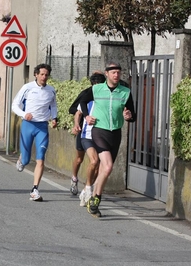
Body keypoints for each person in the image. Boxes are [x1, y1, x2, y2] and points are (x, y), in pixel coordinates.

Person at [80, 62, 136, 217]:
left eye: (118, 72)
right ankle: (96, 199)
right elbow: (82, 101)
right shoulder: (96, 89)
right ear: (106, 74)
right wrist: (87, 116)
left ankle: (92, 196)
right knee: (109, 166)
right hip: (99, 131)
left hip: (115, 133)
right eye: (113, 73)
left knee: (105, 169)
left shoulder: (125, 92)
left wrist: (129, 117)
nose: (116, 75)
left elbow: (133, 115)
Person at [12, 63, 58, 201]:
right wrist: (24, 114)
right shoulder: (27, 88)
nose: (44, 77)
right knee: (26, 160)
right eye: (42, 74)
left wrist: (54, 118)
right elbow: (14, 105)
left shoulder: (51, 90)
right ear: (36, 74)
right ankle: (22, 158)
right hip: (28, 125)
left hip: (42, 127)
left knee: (40, 159)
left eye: (46, 75)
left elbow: (53, 105)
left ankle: (34, 189)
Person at [70, 72, 105, 206]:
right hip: (85, 134)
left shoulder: (107, 98)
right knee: (80, 159)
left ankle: (87, 188)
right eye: (95, 85)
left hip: (100, 136)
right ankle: (74, 178)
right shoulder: (87, 97)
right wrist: (76, 125)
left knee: (95, 163)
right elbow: (78, 112)